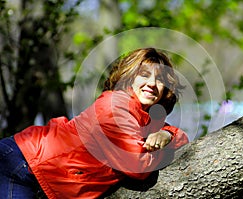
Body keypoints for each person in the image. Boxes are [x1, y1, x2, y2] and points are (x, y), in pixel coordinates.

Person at [0, 48, 189, 198]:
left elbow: (182, 138)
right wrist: (166, 145)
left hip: (38, 172)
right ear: (129, 77)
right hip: (18, 164)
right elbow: (138, 166)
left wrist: (167, 134)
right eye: (144, 75)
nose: (152, 84)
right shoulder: (114, 108)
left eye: (160, 79)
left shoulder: (144, 117)